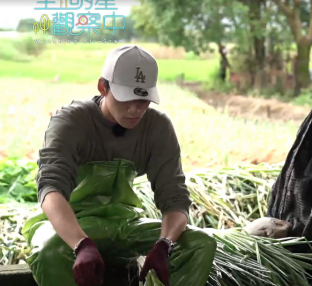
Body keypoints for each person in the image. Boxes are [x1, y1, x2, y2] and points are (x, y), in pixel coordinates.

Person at [20, 45, 217, 286]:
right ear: (103, 87)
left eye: (143, 100)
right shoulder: (71, 122)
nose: (135, 110)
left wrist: (165, 244)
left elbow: (174, 197)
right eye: (126, 99)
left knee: (200, 243)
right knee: (49, 251)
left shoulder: (158, 128)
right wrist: (81, 244)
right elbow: (51, 190)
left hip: (124, 224)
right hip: (70, 224)